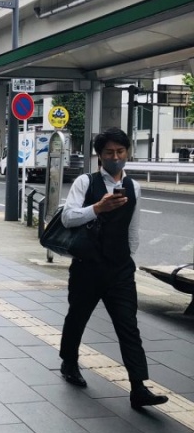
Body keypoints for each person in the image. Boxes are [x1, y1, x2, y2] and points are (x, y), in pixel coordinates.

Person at [59, 127, 168, 410]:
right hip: (87, 267)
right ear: (99, 156)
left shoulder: (134, 187)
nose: (116, 157)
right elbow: (68, 217)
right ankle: (69, 362)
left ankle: (138, 387)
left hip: (119, 270)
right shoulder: (86, 182)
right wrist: (98, 208)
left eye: (120, 152)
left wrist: (128, 259)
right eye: (110, 153)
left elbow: (133, 227)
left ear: (127, 153)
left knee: (128, 326)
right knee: (77, 317)